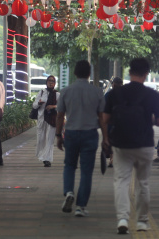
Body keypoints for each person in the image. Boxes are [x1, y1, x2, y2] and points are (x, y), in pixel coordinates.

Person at [100, 57, 159, 234]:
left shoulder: (115, 94)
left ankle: (122, 219)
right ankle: (142, 222)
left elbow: (105, 119)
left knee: (121, 181)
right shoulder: (152, 95)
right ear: (146, 74)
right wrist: (148, 119)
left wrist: (116, 124)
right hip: (144, 144)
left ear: (129, 72)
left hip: (121, 144)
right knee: (142, 182)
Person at [55, 60, 105, 218]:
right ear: (89, 73)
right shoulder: (97, 92)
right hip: (90, 134)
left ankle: (69, 191)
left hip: (71, 133)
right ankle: (80, 207)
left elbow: (60, 115)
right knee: (86, 171)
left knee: (69, 165)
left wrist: (58, 135)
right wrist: (106, 138)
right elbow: (102, 117)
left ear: (75, 73)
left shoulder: (66, 91)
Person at [33, 75, 58, 167]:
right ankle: (42, 156)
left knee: (49, 139)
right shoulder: (42, 92)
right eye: (49, 81)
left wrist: (53, 106)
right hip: (42, 118)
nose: (51, 82)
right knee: (41, 139)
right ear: (46, 82)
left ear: (54, 83)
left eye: (52, 81)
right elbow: (34, 105)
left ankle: (47, 159)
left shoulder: (57, 94)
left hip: (52, 119)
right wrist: (39, 103)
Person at [104, 77, 124, 169]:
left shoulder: (108, 95)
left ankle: (112, 159)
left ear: (113, 85)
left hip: (110, 122)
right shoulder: (125, 95)